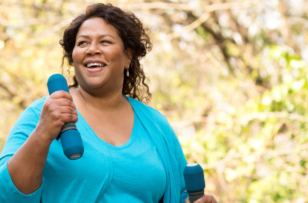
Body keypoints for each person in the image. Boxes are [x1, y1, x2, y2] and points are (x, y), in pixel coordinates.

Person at [0, 3, 217, 203]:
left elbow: (179, 194)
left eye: (105, 42)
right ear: (73, 56)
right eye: (83, 43)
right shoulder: (42, 114)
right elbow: (5, 192)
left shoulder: (156, 125)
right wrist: (42, 133)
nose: (92, 49)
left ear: (128, 56)